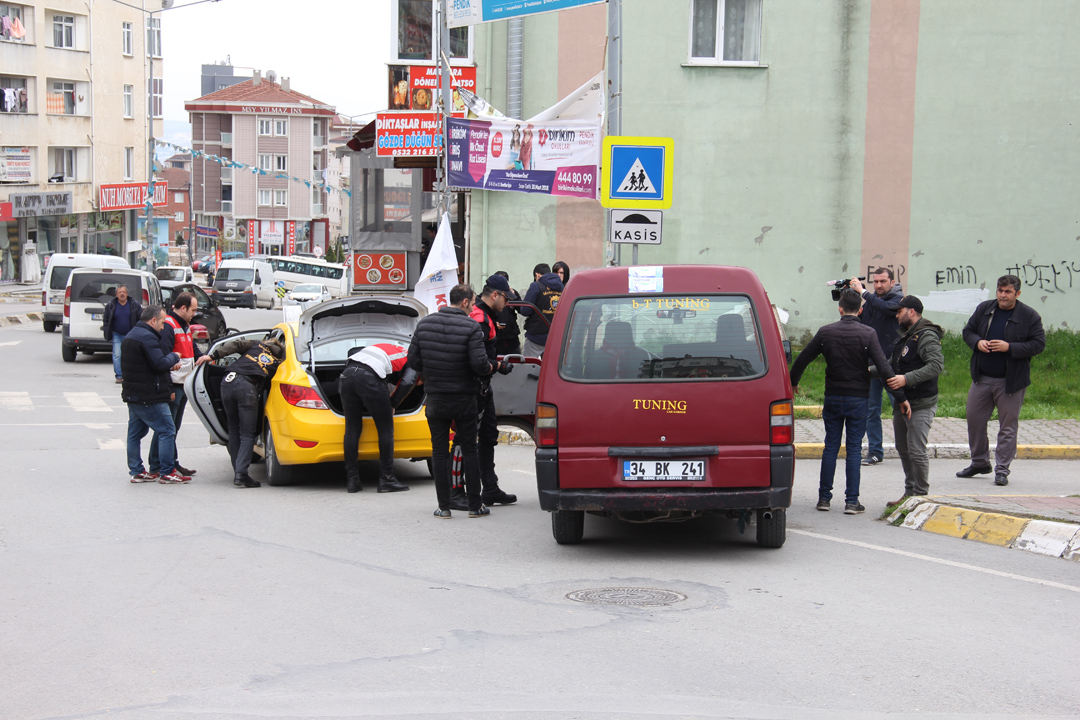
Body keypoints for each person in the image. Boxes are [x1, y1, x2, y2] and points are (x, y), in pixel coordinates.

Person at [789, 289, 904, 515]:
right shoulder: (868, 333)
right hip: (858, 399)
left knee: (830, 446)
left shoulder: (826, 332)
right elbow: (884, 367)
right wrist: (900, 397)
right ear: (860, 310)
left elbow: (802, 359)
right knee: (853, 449)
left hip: (833, 396)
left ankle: (824, 498)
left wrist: (793, 383)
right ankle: (852, 502)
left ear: (839, 309)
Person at [407, 284, 495, 518]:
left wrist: (432, 371)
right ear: (465, 302)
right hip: (464, 398)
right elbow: (479, 365)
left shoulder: (424, 324)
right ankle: (475, 506)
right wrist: (491, 367)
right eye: (473, 302)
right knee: (469, 450)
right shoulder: (471, 327)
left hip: (435, 398)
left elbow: (413, 361)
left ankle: (444, 507)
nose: (474, 307)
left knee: (438, 452)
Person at [957, 274, 1045, 486]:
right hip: (982, 378)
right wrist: (977, 342)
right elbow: (968, 331)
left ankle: (1002, 469)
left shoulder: (1029, 316)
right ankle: (979, 462)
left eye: (1007, 292)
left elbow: (1038, 344)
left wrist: (1010, 348)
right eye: (1000, 291)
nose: (1003, 295)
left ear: (1017, 293)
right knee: (974, 419)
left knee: (1007, 426)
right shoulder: (985, 309)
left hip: (1011, 382)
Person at [451, 274, 517, 510]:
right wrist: (498, 365)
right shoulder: (479, 317)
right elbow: (474, 357)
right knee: (463, 440)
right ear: (495, 295)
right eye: (506, 299)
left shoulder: (488, 315)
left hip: (483, 388)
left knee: (489, 436)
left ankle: (489, 488)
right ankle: (456, 490)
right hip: (473, 389)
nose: (508, 304)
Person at [205, 330, 287, 488]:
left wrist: (213, 356)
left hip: (227, 382)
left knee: (233, 430)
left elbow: (236, 344)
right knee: (247, 433)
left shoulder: (257, 345)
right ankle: (241, 474)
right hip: (247, 387)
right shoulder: (279, 362)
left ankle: (238, 472)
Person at [884, 296, 944, 504]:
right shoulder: (905, 337)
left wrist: (906, 379)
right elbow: (890, 365)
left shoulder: (926, 336)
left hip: (921, 403)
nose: (896, 315)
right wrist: (866, 371)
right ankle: (909, 493)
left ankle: (920, 495)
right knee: (904, 449)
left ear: (911, 312)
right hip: (902, 402)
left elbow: (936, 366)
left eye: (899, 311)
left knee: (917, 451)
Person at [121, 305, 186, 484]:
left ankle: (136, 471)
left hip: (133, 393)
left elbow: (145, 364)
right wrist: (174, 357)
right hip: (149, 395)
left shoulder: (131, 335)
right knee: (167, 429)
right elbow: (158, 364)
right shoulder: (148, 338)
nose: (163, 327)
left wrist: (166, 363)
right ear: (153, 320)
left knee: (135, 434)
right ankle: (167, 471)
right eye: (162, 322)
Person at [148, 292, 211, 478]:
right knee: (166, 428)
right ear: (182, 308)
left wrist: (202, 357)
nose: (194, 313)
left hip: (183, 383)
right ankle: (157, 465)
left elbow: (191, 348)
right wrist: (168, 388)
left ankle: (170, 462)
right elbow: (164, 359)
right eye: (192, 310)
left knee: (173, 427)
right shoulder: (169, 325)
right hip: (174, 384)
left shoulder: (184, 324)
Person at [339, 343, 414, 494]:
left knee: (352, 428)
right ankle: (387, 479)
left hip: (346, 375)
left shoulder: (392, 348)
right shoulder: (414, 360)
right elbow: (408, 382)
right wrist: (393, 404)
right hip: (368, 377)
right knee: (386, 430)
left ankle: (352, 480)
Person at [850, 268, 904, 466]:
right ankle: (875, 451)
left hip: (892, 365)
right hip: (871, 365)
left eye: (883, 281)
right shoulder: (871, 302)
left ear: (892, 282)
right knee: (871, 410)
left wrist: (863, 292)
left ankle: (909, 448)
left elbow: (886, 309)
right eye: (876, 281)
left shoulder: (898, 300)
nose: (879, 285)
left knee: (900, 405)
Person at [518, 263, 564, 358]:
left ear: (537, 275)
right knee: (551, 368)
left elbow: (525, 310)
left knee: (527, 367)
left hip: (536, 337)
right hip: (554, 337)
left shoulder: (536, 286)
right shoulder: (561, 287)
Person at [103, 285, 142, 384]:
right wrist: (107, 330)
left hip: (131, 334)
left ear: (127, 294)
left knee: (131, 356)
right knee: (117, 355)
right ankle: (119, 376)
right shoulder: (111, 305)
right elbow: (106, 319)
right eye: (120, 292)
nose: (122, 294)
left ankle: (130, 375)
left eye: (124, 292)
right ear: (116, 294)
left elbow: (140, 318)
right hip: (117, 334)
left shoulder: (134, 304)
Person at [492, 271, 522, 356]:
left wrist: (513, 297)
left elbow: (522, 310)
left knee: (516, 362)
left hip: (511, 336)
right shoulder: (491, 295)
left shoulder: (512, 293)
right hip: (495, 337)